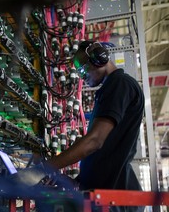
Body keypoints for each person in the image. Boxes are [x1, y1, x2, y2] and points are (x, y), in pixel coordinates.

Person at [13, 41, 145, 211]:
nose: (82, 76)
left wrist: (42, 169)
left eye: (83, 69)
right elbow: (106, 150)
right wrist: (76, 181)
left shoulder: (120, 84)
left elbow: (95, 141)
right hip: (105, 195)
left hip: (114, 199)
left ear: (99, 59)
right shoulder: (110, 88)